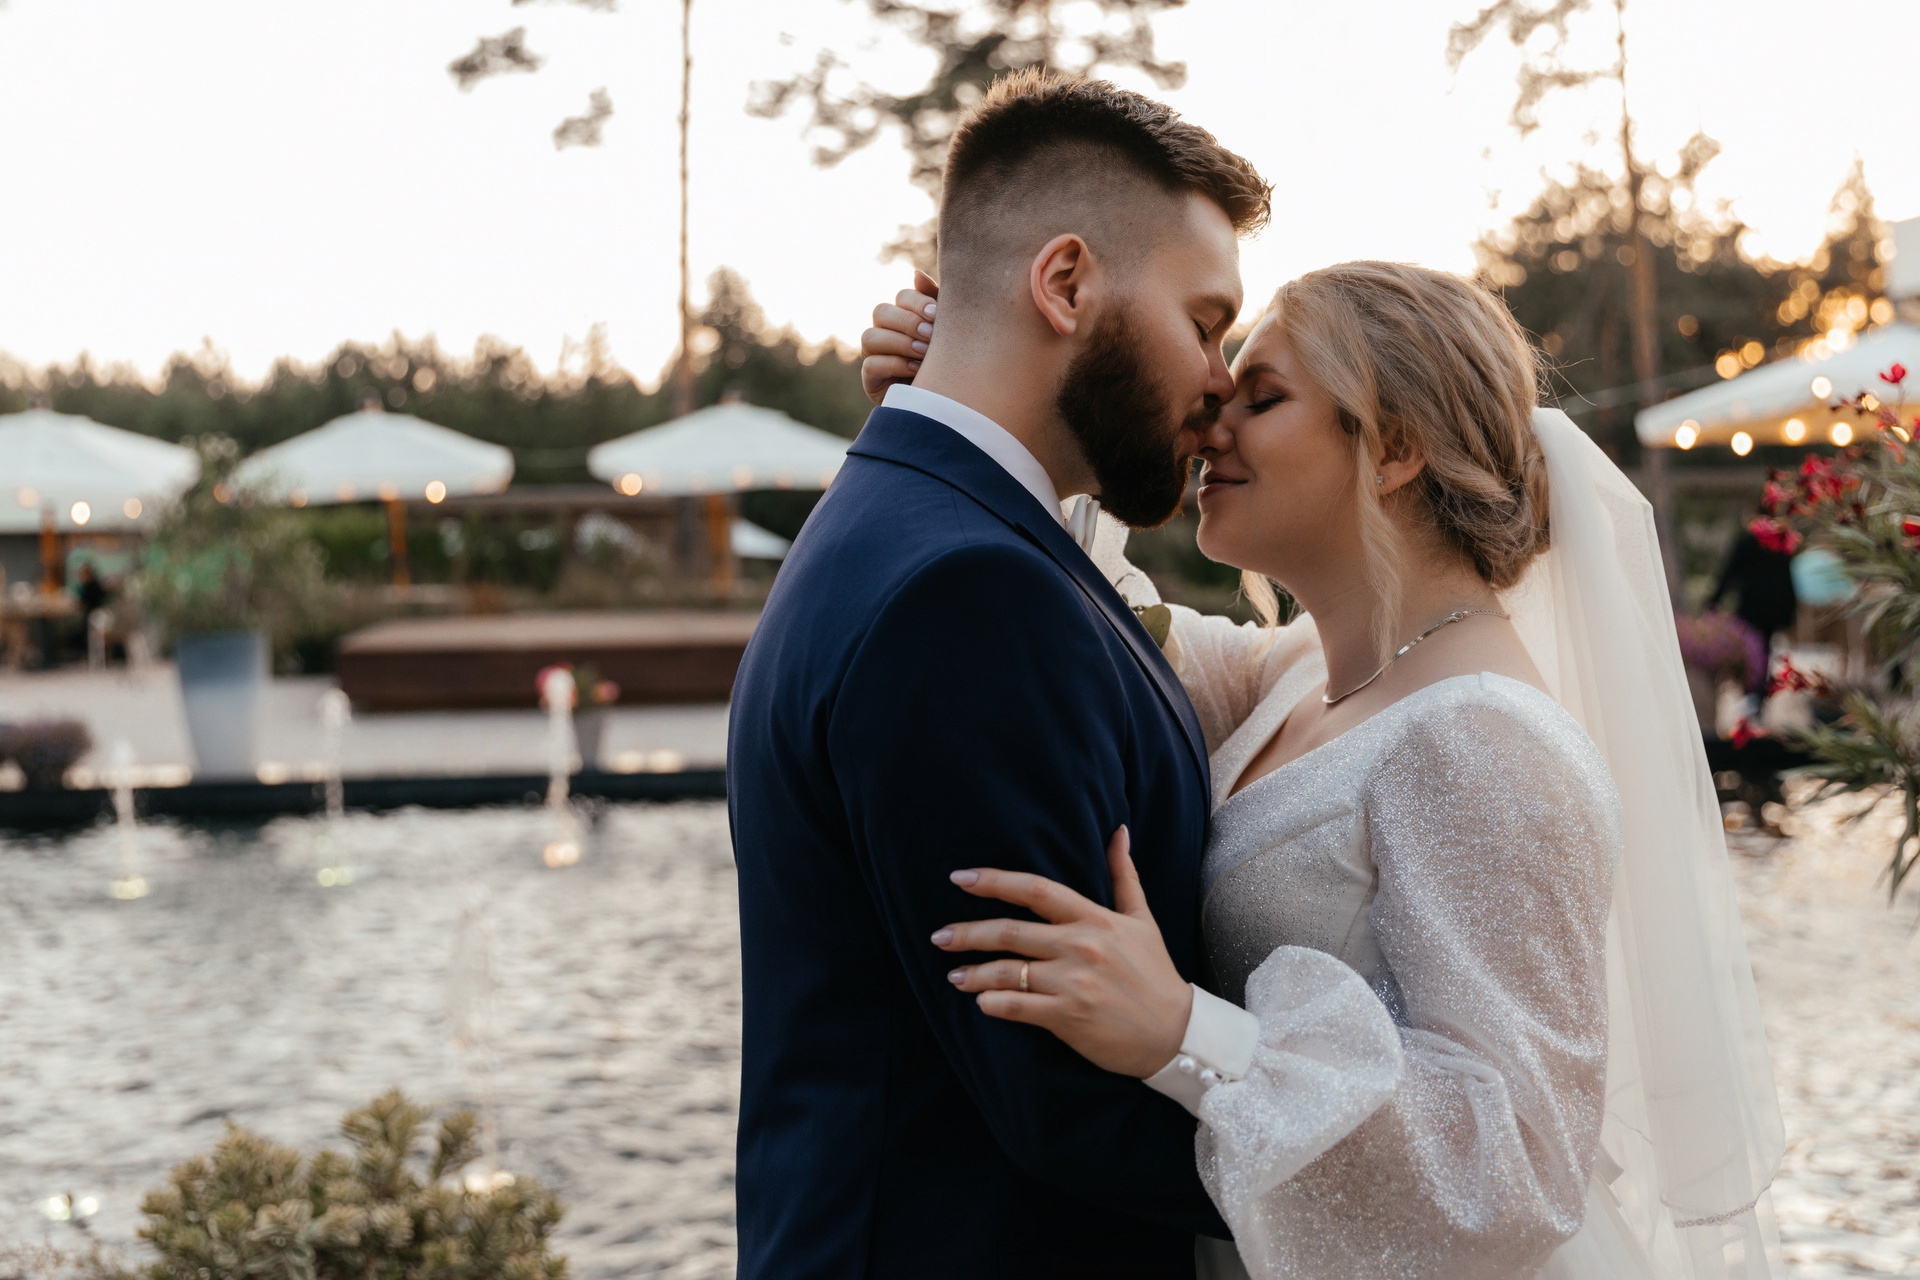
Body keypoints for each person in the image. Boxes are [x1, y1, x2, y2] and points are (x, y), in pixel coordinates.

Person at [863, 262, 1784, 1277]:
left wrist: (1182, 1032)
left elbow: (1518, 1166)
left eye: (1260, 399)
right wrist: (977, 389)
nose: (1208, 426)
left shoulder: (1484, 741)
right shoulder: (1302, 671)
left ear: (1393, 448)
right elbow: (1100, 617)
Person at [726, 71, 1271, 1278]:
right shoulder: (966, 591)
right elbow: (1064, 1094)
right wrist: (1412, 1184)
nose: (1222, 379)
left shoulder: (906, 521)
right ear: (1065, 283)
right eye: (1206, 322)